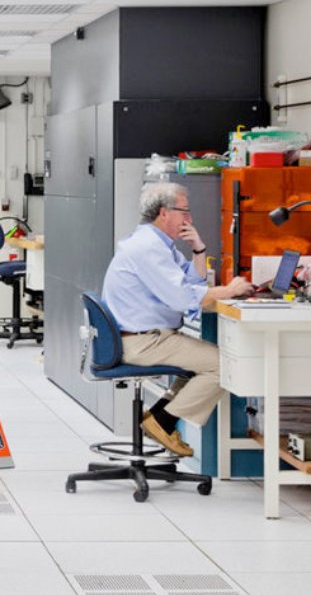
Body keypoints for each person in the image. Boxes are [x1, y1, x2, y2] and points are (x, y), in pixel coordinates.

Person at [102, 182, 252, 457]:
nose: (190, 218)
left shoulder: (156, 244)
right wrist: (230, 291)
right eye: (184, 211)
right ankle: (163, 421)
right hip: (144, 342)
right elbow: (184, 297)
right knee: (224, 365)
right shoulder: (148, 247)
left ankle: (159, 418)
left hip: (147, 337)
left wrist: (198, 248)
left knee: (202, 365)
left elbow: (192, 280)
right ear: (164, 213)